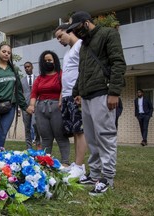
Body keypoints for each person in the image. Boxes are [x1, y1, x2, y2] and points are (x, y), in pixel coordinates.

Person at [67, 11, 126, 195]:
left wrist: (114, 92)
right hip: (86, 96)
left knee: (105, 136)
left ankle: (107, 178)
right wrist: (77, 92)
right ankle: (94, 174)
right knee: (92, 138)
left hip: (103, 93)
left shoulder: (108, 34)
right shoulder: (84, 45)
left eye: (76, 28)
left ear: (86, 23)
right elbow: (82, 71)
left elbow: (118, 63)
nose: (75, 33)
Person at [0, 43, 33, 151]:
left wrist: (25, 107)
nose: (6, 54)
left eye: (9, 53)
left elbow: (19, 90)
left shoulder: (13, 69)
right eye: (4, 51)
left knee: (2, 131)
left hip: (10, 106)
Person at [54, 24, 87, 179]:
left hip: (76, 95)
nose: (59, 40)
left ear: (70, 31)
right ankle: (76, 164)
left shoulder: (81, 45)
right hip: (67, 96)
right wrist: (61, 96)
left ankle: (80, 166)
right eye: (57, 38)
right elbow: (65, 76)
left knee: (80, 130)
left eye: (60, 36)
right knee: (74, 131)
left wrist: (79, 92)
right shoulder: (68, 52)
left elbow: (84, 70)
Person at [28, 50, 70, 166]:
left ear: (54, 61)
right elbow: (34, 93)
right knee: (45, 138)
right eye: (45, 60)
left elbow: (65, 87)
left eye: (50, 60)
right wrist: (32, 105)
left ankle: (65, 162)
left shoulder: (60, 74)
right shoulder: (39, 78)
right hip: (41, 109)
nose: (47, 62)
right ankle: (45, 163)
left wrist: (61, 100)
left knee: (61, 136)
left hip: (57, 107)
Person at [21, 62, 41, 149]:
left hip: (36, 106)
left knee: (35, 124)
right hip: (25, 107)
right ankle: (29, 148)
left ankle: (38, 143)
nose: (27, 68)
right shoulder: (22, 80)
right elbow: (20, 94)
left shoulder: (38, 79)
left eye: (28, 67)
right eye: (25, 67)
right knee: (27, 128)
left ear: (32, 67)